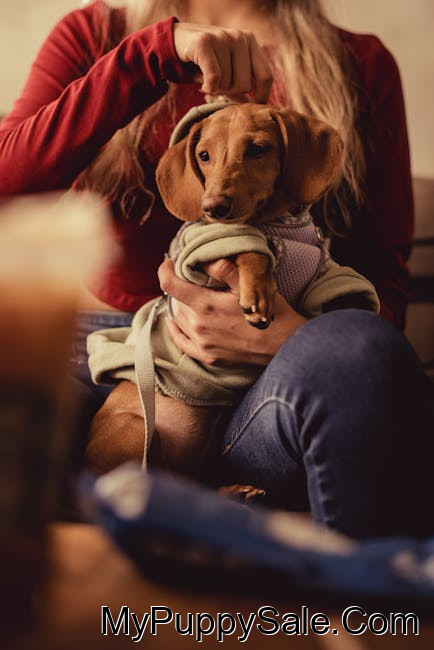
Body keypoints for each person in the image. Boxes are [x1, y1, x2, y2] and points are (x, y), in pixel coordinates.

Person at [0, 0, 433, 540]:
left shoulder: (359, 61)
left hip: (275, 367)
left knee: (361, 349)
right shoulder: (95, 34)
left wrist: (288, 338)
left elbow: (381, 278)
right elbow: (6, 190)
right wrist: (154, 53)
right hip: (110, 357)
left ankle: (372, 589)